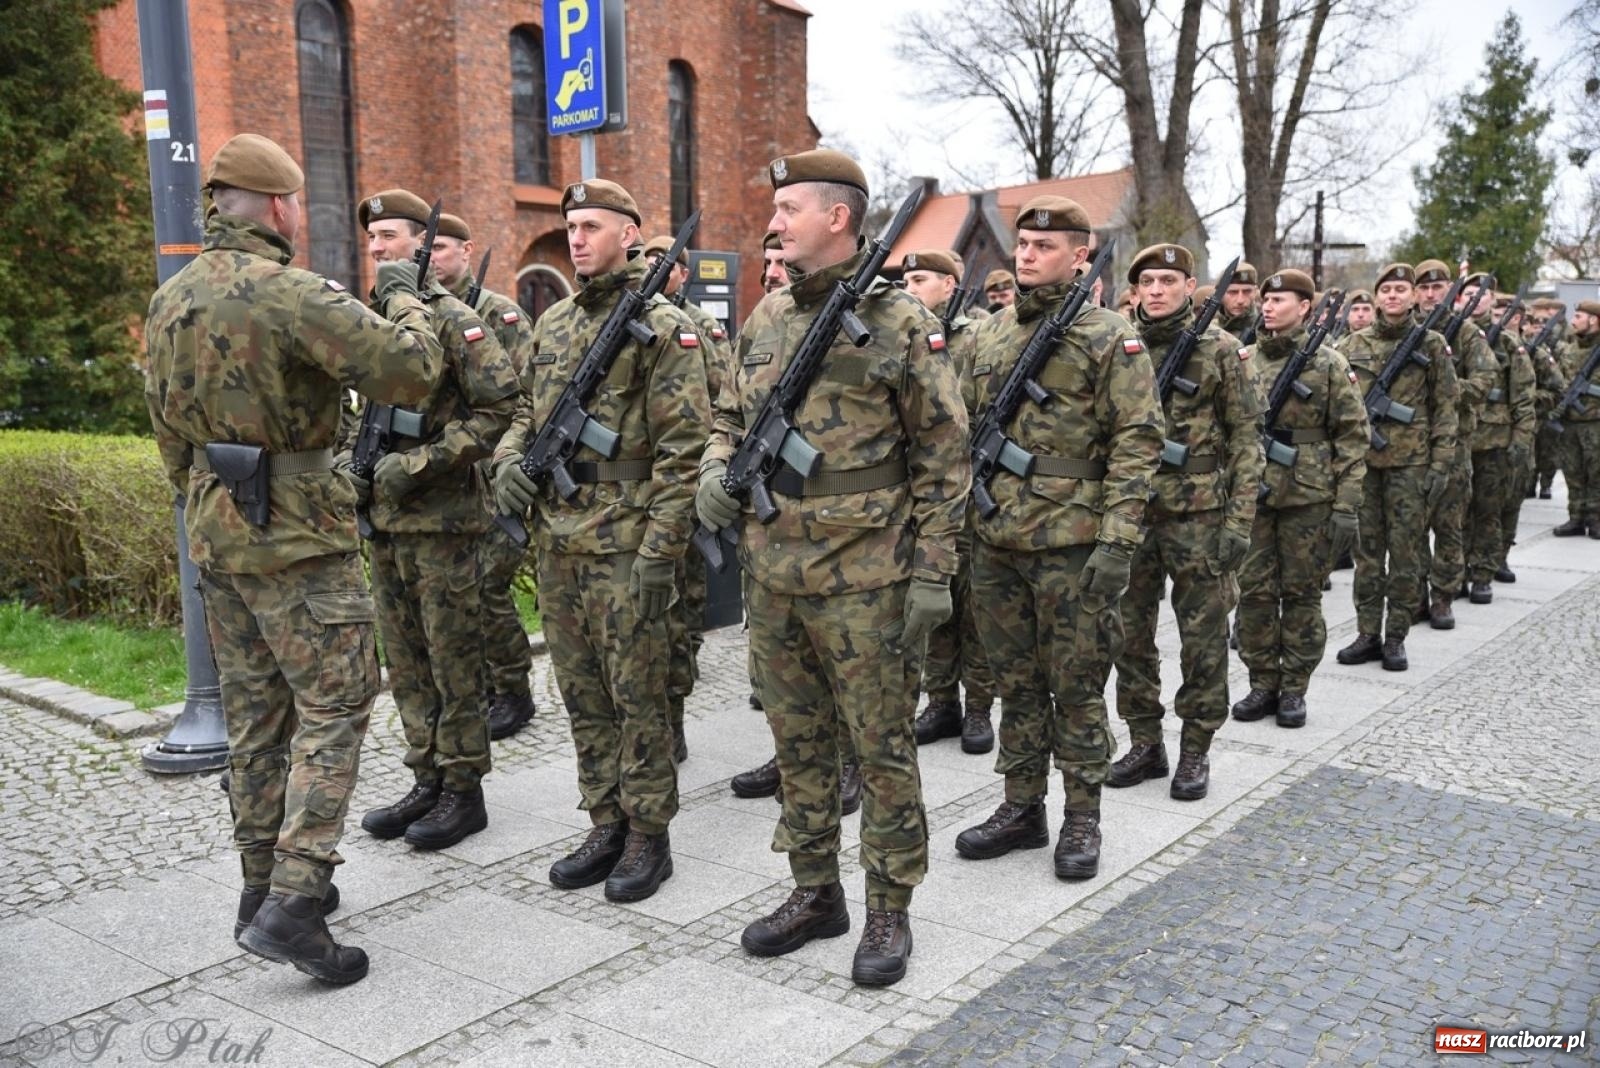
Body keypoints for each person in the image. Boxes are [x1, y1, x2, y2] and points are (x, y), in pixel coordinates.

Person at [145, 134, 443, 985]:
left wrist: (211, 506)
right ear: (277, 206)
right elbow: (411, 370)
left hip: (219, 534)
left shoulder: (170, 300)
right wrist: (403, 293)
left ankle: (256, 885)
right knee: (335, 705)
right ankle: (297, 902)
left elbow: (169, 437)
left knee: (256, 718)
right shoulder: (293, 293)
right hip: (302, 541)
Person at [696, 149, 969, 987]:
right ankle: (815, 892)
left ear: (838, 218)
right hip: (776, 574)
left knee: (881, 750)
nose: (774, 224)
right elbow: (730, 414)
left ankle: (889, 906)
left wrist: (931, 571)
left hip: (868, 577)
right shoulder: (769, 316)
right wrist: (715, 467)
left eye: (789, 210)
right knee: (797, 743)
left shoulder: (898, 324)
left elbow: (946, 455)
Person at [493, 179, 710, 903]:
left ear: (629, 232)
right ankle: (605, 819)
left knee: (638, 695)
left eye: (592, 225)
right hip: (560, 541)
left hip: (625, 545)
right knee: (582, 693)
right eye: (571, 225)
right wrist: (505, 464)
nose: (578, 237)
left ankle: (649, 832)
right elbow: (527, 411)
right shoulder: (551, 323)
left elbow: (685, 453)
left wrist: (659, 551)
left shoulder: (663, 326)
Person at [952, 196, 1162, 880]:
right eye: (1024, 244)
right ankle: (1021, 805)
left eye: (1047, 247)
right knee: (1016, 683)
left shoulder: (1109, 337)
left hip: (1073, 542)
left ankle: (1082, 815)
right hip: (995, 539)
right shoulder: (986, 335)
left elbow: (1137, 441)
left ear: (1081, 254)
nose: (1029, 255)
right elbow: (956, 429)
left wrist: (1118, 538)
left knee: (1074, 685)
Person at [351, 189, 519, 852]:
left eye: (389, 236)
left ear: (421, 244)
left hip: (445, 523)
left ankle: (463, 790)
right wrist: (351, 466)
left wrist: (418, 465)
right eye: (373, 238)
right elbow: (357, 410)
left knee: (453, 663)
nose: (377, 248)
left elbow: (500, 410)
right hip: (386, 525)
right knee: (407, 662)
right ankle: (426, 776)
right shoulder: (371, 318)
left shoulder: (453, 319)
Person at [1107, 244, 1263, 799]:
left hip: (1200, 514)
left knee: (1203, 638)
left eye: (1168, 281)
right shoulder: (1115, 345)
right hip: (1132, 514)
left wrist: (1239, 520)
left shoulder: (1221, 350)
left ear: (1189, 286)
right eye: (1146, 280)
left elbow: (1247, 439)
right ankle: (1145, 741)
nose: (1155, 290)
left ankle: (1196, 747)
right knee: (1128, 634)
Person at [1232, 269, 1368, 728]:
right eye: (1264, 300)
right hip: (1252, 495)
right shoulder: (1243, 357)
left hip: (1308, 495)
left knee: (1302, 594)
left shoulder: (1328, 363)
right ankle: (1262, 681)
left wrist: (1346, 503)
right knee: (1253, 593)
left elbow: (1353, 436)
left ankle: (1293, 687)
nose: (1267, 306)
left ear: (1305, 307)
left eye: (1279, 300)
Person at [430, 212, 539, 741]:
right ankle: (474, 686)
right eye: (427, 249)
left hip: (493, 478)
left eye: (444, 248)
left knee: (488, 587)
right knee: (457, 593)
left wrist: (507, 462)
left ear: (467, 250)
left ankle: (513, 689)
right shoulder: (415, 314)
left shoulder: (500, 315)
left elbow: (525, 401)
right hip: (443, 482)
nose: (433, 258)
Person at [1335, 264, 1458, 672]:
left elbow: (1445, 408)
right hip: (1365, 466)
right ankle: (1368, 632)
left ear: (1413, 296)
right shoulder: (1351, 344)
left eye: (1400, 289)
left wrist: (1441, 463)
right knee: (1367, 554)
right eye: (1385, 289)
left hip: (1411, 465)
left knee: (1406, 555)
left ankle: (1396, 636)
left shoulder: (1432, 344)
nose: (1392, 296)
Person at [642, 232, 737, 763]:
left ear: (685, 273)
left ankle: (674, 715)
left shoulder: (699, 326)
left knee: (682, 615)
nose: (659, 269)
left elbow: (724, 395)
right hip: (644, 491)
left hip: (686, 483)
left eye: (669, 263)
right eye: (653, 261)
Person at [899, 249, 996, 755]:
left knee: (975, 607)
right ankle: (940, 702)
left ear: (949, 285)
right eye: (906, 279)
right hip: (921, 495)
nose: (910, 288)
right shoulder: (901, 334)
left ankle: (978, 705)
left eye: (921, 279)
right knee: (931, 604)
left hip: (972, 493)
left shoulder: (978, 338)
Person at [1413, 261, 1495, 627]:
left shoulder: (1465, 333)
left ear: (1452, 291)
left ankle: (1443, 596)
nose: (1431, 295)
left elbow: (1484, 382)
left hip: (1454, 445)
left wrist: (1444, 387)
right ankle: (1412, 597)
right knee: (1408, 530)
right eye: (1425, 288)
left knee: (1448, 525)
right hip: (1408, 447)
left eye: (1439, 287)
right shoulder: (1404, 332)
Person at [1463, 282, 1536, 600]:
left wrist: (1520, 443)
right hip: (1459, 441)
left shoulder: (1507, 343)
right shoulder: (1448, 338)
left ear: (1491, 302)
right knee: (1455, 516)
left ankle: (1482, 574)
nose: (1474, 300)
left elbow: (1524, 398)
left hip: (1494, 444)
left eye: (1482, 296)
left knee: (1488, 512)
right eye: (1467, 295)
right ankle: (1455, 572)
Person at [1553, 299, 1600, 537]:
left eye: (1579, 317)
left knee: (1596, 472)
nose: (1573, 321)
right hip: (1570, 421)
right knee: (1573, 471)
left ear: (1593, 320)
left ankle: (1596, 519)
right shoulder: (1568, 350)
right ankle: (1576, 518)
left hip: (1595, 422)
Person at [1218, 262, 1260, 341]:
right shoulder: (1207, 330)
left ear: (1255, 292)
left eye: (1247, 292)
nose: (1240, 300)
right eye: (1233, 292)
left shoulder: (1265, 330)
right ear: (1220, 293)